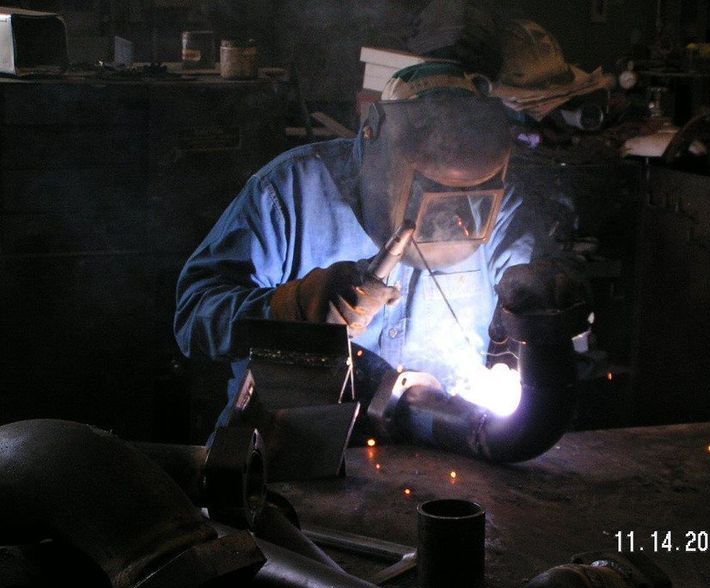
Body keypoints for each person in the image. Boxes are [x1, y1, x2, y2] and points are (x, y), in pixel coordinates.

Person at [174, 62, 583, 431]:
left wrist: (546, 290)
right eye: (432, 192)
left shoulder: (500, 200)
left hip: (439, 443)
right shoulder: (289, 191)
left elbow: (534, 282)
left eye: (471, 197)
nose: (454, 219)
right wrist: (293, 307)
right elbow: (194, 318)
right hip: (290, 443)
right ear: (376, 144)